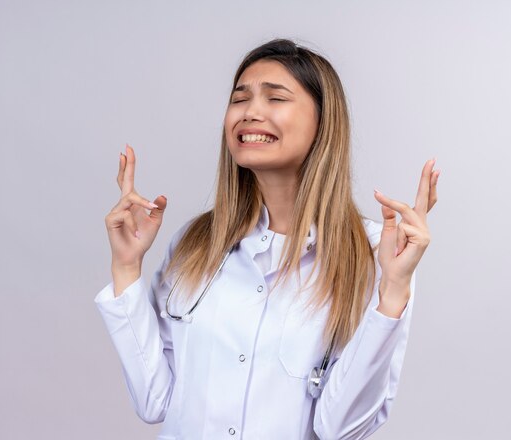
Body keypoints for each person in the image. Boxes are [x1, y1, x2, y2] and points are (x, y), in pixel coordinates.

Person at [95, 38, 439, 440]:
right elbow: (154, 401)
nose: (250, 112)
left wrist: (392, 293)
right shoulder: (196, 243)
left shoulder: (375, 256)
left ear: (323, 123)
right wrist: (126, 267)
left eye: (275, 98)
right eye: (240, 99)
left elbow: (339, 428)